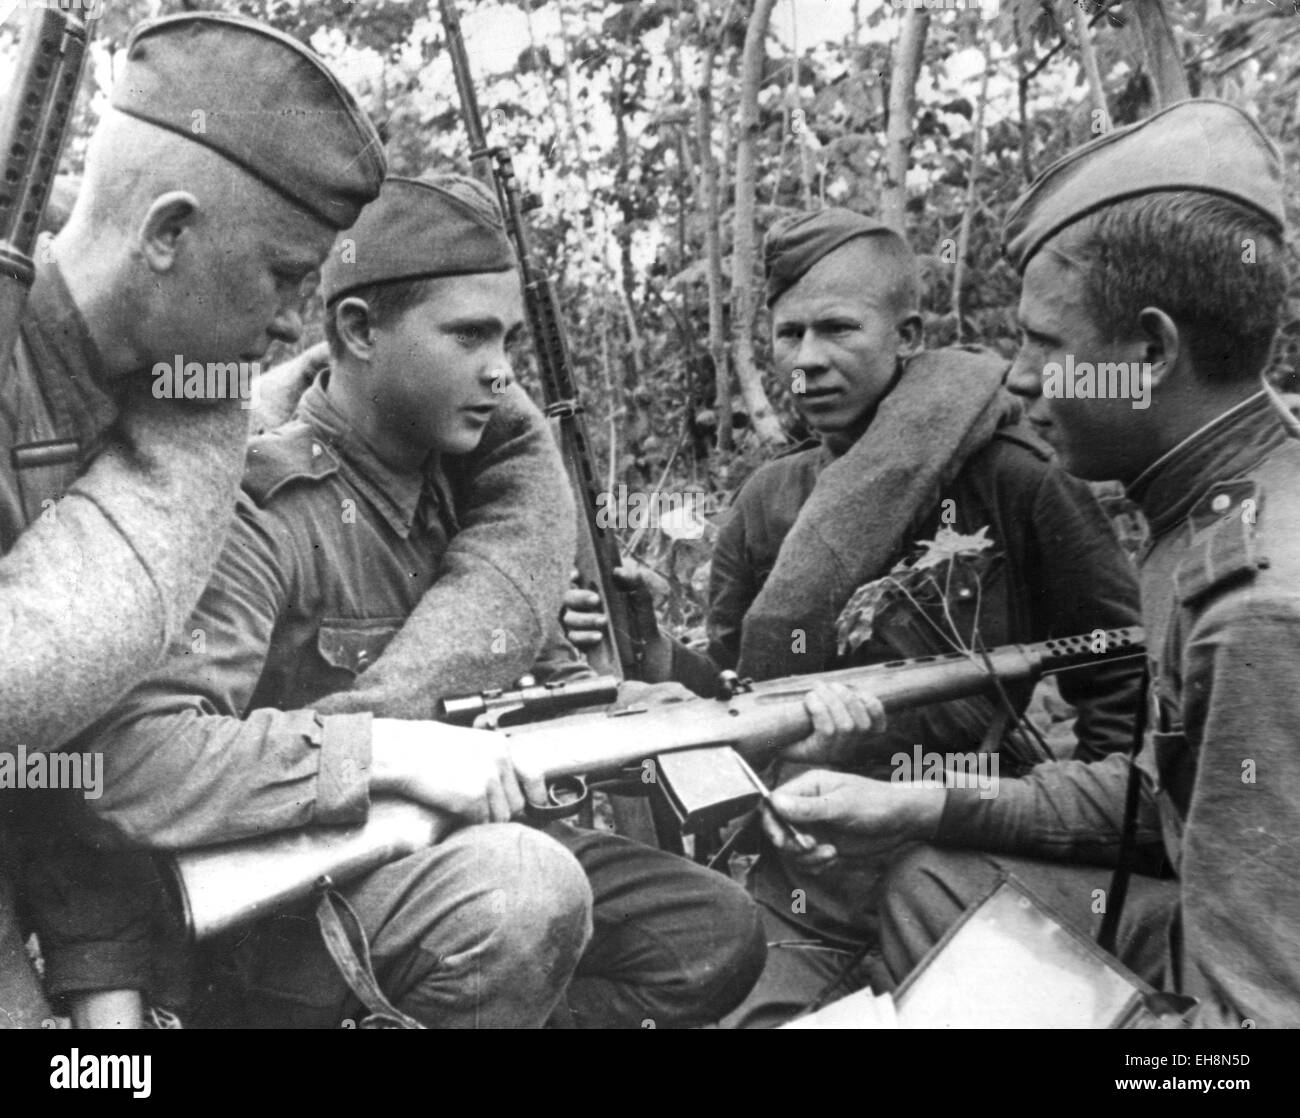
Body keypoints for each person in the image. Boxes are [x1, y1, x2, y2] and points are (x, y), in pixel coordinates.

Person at [72, 175, 765, 1029]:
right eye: (469, 336)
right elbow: (138, 760)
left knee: (709, 933)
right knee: (525, 893)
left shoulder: (476, 504)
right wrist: (388, 751)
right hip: (288, 907)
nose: (502, 371)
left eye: (508, 339)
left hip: (447, 857)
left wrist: (636, 704)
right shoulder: (260, 507)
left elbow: (526, 694)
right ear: (358, 330)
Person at [4, 12, 583, 1029]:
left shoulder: (177, 417)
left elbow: (81, 753)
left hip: (99, 905)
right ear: (169, 234)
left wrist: (104, 1000)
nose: (291, 322)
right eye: (280, 275)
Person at [767, 99, 1300, 1028]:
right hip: (1210, 929)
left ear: (1148, 350)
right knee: (930, 879)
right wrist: (917, 803)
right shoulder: (1227, 500)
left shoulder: (1257, 603)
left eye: (1046, 345)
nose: (1015, 377)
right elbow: (1164, 796)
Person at [565, 207, 1144, 1027]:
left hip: (966, 861)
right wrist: (656, 649)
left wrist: (1071, 871)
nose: (808, 361)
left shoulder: (1016, 482)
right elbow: (739, 697)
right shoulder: (771, 501)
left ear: (906, 333)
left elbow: (1117, 696)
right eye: (789, 335)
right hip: (809, 886)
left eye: (838, 329)